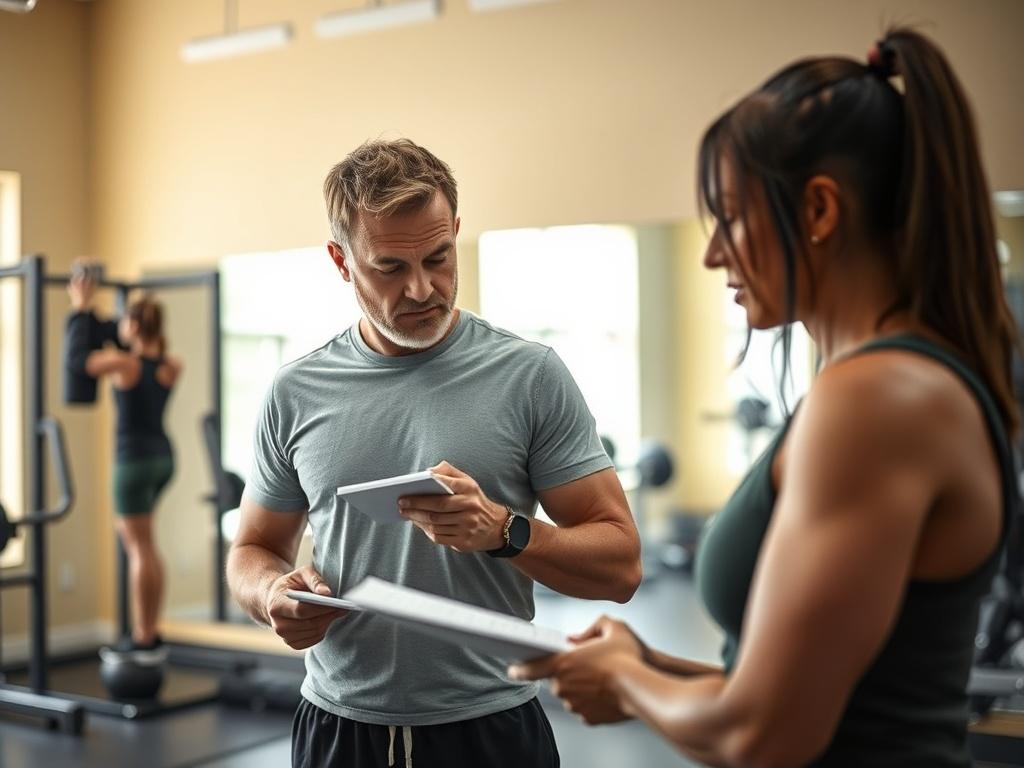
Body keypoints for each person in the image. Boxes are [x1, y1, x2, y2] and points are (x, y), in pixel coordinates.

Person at [511, 27, 1019, 768]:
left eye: (731, 217)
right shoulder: (891, 387)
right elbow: (820, 700)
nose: (715, 252)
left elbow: (764, 736)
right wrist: (647, 665)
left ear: (818, 212)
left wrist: (624, 678)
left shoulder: (878, 399)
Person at [226, 139, 642, 768]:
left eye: (439, 258)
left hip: (491, 729)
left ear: (455, 233)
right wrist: (272, 595)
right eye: (390, 267)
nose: (422, 288)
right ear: (342, 261)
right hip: (339, 730)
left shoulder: (529, 375)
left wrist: (505, 530)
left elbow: (622, 565)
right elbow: (251, 551)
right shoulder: (295, 391)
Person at [66, 265, 183, 655]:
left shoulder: (124, 365)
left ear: (133, 326)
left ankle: (144, 634)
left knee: (139, 549)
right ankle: (150, 628)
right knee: (148, 545)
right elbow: (134, 344)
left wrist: (81, 307)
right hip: (163, 458)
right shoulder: (171, 365)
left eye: (125, 322)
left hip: (132, 463)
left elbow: (79, 361)